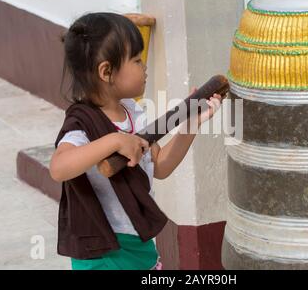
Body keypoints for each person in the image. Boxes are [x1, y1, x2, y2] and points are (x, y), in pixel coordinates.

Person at [49, 13, 222, 270]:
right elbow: (59, 167)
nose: (145, 67)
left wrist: (191, 124)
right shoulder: (82, 123)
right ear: (106, 71)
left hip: (139, 245)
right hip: (103, 252)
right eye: (137, 60)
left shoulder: (132, 112)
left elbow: (161, 166)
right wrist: (114, 141)